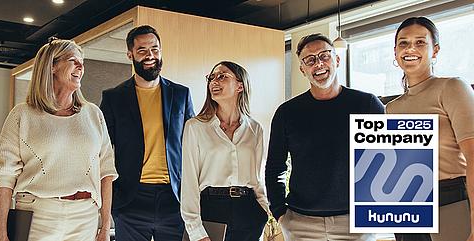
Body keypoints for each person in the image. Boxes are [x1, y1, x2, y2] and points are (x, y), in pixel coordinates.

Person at [0, 38, 118, 241]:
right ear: (52, 66)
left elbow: (106, 172)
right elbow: (6, 176)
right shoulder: (22, 115)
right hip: (38, 215)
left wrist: (105, 227)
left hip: (85, 216)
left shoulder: (93, 114)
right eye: (73, 61)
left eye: (82, 62)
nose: (81, 67)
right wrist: (1, 232)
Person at [265, 33, 384, 241]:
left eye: (324, 56)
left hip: (355, 223)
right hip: (300, 222)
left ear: (337, 60)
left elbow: (386, 157)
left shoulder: (367, 105)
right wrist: (280, 213)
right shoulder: (287, 112)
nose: (318, 63)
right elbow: (275, 166)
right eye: (309, 60)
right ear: (303, 69)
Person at [99, 25, 195, 241]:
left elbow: (194, 145)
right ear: (130, 55)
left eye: (155, 49)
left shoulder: (181, 94)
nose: (150, 55)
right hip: (130, 200)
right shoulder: (114, 98)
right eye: (142, 50)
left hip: (174, 198)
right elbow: (101, 152)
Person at [387, 16, 474, 241]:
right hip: (407, 205)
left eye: (420, 42)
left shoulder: (452, 88)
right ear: (395, 52)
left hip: (450, 197)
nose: (410, 48)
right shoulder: (391, 109)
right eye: (403, 43)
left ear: (435, 50)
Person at [181, 61, 269, 241]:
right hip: (211, 210)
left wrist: (265, 213)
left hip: (249, 211)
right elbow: (189, 182)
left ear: (240, 86)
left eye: (222, 76)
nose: (214, 81)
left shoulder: (255, 129)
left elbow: (258, 178)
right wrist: (196, 230)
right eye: (211, 77)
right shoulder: (195, 127)